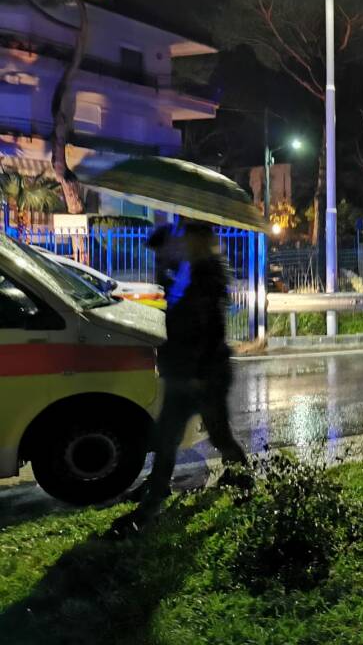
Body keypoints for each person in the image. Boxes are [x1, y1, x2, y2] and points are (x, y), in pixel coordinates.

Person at [114, 222, 248, 533]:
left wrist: (199, 374)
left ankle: (242, 480)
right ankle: (157, 491)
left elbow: (210, 328)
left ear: (199, 242)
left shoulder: (207, 274)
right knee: (167, 435)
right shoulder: (187, 270)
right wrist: (164, 267)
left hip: (203, 375)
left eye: (186, 239)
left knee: (218, 436)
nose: (181, 243)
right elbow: (174, 312)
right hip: (185, 371)